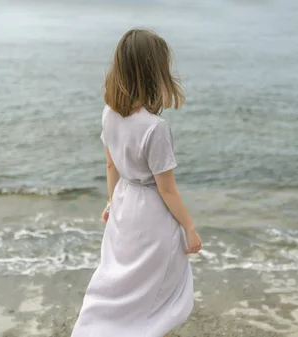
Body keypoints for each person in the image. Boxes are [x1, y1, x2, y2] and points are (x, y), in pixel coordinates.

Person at [71, 29, 202, 337]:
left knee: (119, 285)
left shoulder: (109, 113)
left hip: (124, 208)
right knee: (158, 297)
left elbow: (111, 164)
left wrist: (112, 202)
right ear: (154, 72)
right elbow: (166, 189)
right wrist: (190, 227)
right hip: (151, 216)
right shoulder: (155, 128)